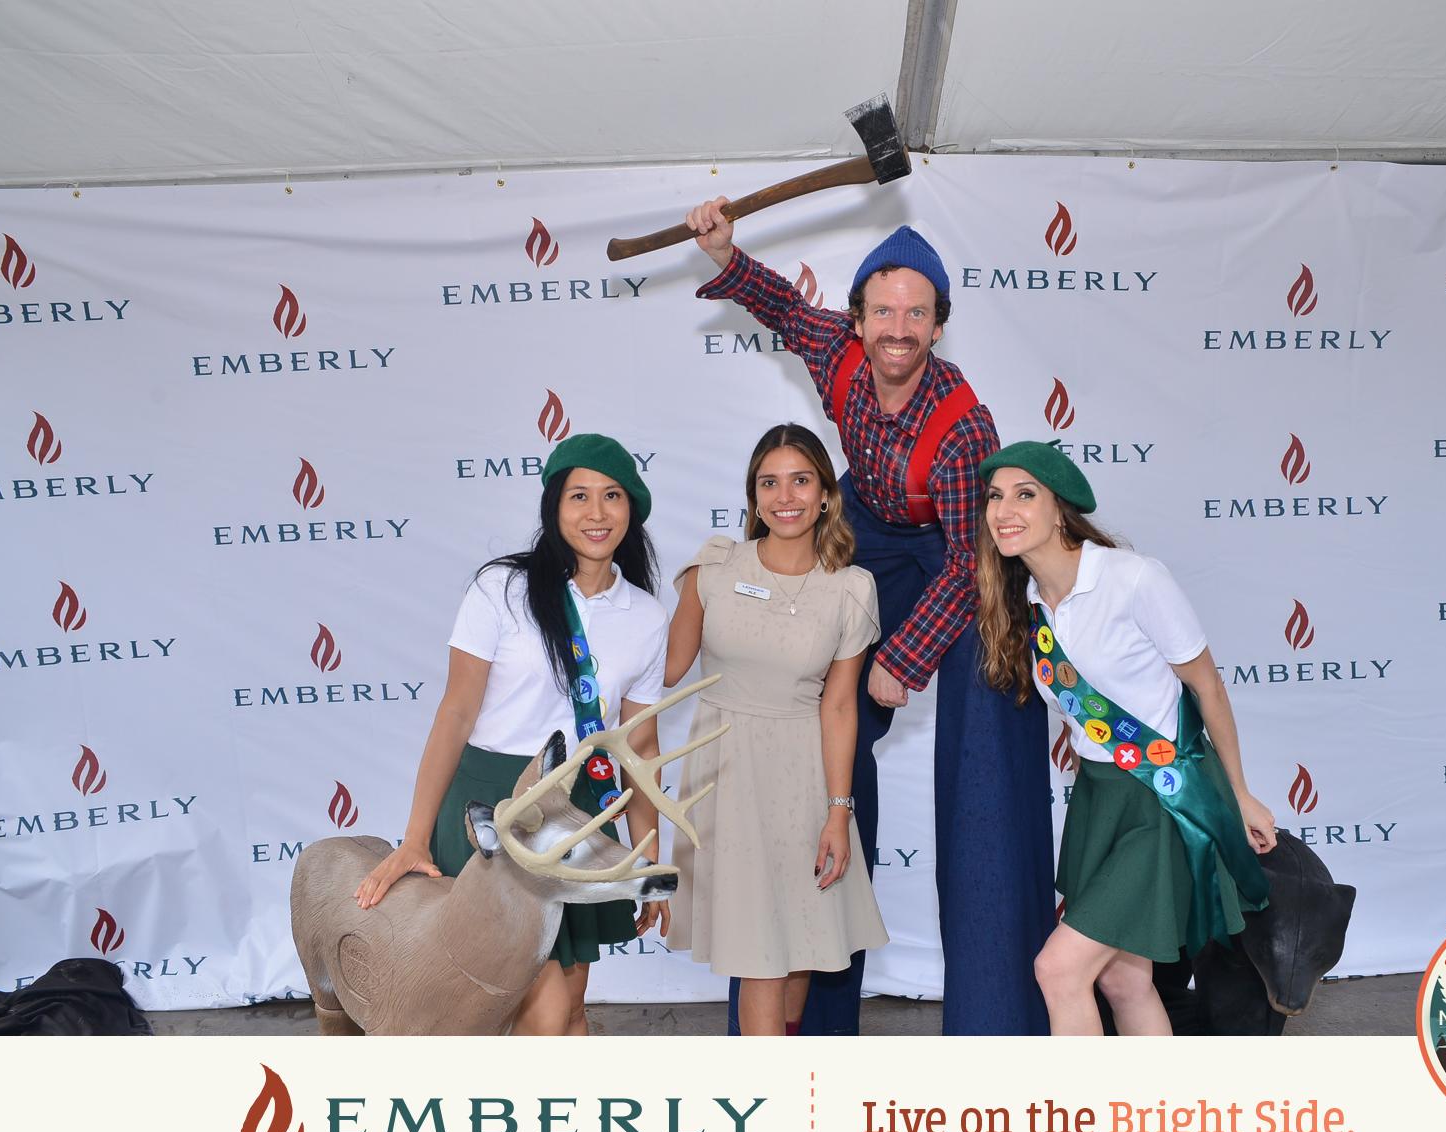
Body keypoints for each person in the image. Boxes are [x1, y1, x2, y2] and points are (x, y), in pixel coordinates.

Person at [686, 200, 1054, 1035]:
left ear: (938, 326)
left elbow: (970, 562)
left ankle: (996, 1021)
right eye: (882, 311)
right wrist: (724, 253)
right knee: (823, 725)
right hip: (870, 531)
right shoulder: (839, 354)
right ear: (858, 319)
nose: (897, 328)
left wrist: (906, 658)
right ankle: (810, 1018)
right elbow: (783, 307)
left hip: (957, 553)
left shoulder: (965, 433)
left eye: (915, 314)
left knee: (986, 729)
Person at [353, 433, 670, 1036]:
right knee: (510, 1010)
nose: (596, 513)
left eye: (612, 496)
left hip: (576, 813)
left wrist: (644, 862)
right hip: (493, 806)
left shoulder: (648, 617)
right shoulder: (501, 588)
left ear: (633, 509)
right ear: (554, 506)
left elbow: (640, 749)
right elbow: (454, 714)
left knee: (568, 1008)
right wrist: (415, 838)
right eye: (578, 496)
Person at [976, 441, 1277, 1036]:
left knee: (1059, 970)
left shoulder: (1133, 578)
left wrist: (1239, 793)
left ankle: (1086, 1123)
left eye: (1025, 494)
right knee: (1122, 980)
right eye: (994, 497)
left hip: (1162, 799)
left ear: (1060, 510)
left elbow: (1207, 687)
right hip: (1099, 800)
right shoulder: (1033, 605)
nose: (1004, 510)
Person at [663, 423, 888, 1035]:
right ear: (753, 496)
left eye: (800, 480)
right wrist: (690, 585)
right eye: (769, 483)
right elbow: (670, 668)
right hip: (726, 772)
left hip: (803, 777)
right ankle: (772, 1109)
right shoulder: (715, 566)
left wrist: (838, 812)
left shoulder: (851, 588)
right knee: (760, 959)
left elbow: (840, 708)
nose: (784, 496)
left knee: (796, 950)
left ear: (824, 495)